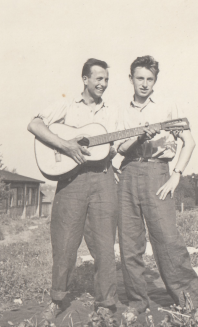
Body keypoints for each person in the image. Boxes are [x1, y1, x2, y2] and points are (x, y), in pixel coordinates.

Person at [27, 58, 118, 319]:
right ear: (85, 79)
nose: (103, 84)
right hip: (71, 180)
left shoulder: (113, 111)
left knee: (104, 245)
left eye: (107, 80)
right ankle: (58, 299)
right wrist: (66, 145)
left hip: (103, 178)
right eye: (98, 78)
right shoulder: (66, 105)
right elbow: (34, 125)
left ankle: (106, 304)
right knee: (64, 242)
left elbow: (117, 147)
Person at [113, 55, 198, 314]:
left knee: (167, 239)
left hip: (157, 173)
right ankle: (138, 303)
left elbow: (189, 141)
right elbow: (120, 147)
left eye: (150, 79)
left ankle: (190, 301)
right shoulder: (121, 111)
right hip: (127, 173)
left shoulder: (167, 106)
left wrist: (176, 175)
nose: (144, 84)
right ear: (131, 79)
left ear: (155, 81)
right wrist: (139, 137)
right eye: (140, 78)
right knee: (129, 242)